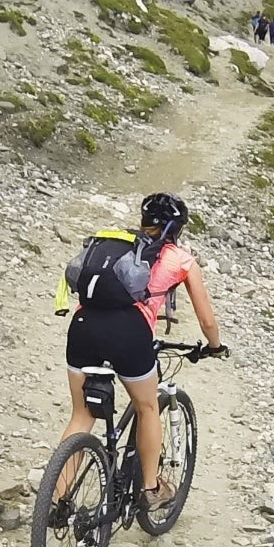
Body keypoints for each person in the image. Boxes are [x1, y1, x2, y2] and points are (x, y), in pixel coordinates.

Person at [57, 192, 224, 510]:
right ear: (178, 228)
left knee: (82, 415)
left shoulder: (118, 247)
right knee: (147, 407)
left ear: (143, 221)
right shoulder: (181, 259)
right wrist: (215, 347)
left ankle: (54, 501)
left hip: (83, 324)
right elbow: (206, 320)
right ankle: (150, 488)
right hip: (129, 334)